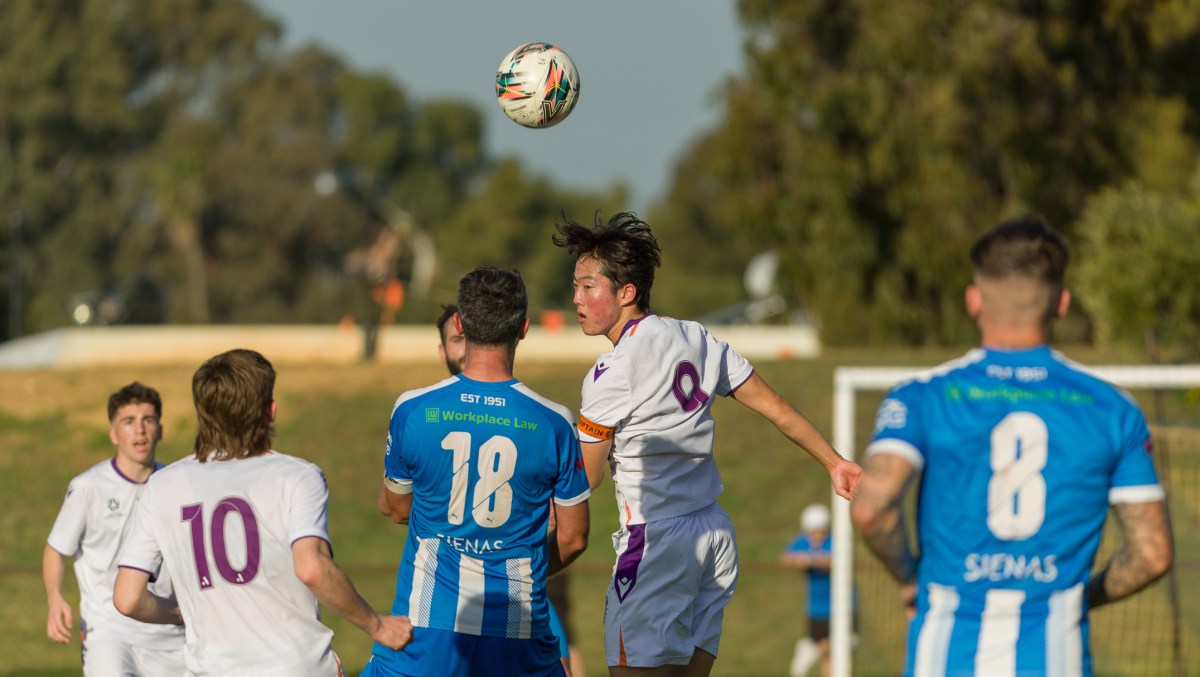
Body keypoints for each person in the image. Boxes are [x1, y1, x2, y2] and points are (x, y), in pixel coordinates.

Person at [850, 215, 1175, 676]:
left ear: (973, 300)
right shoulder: (1113, 409)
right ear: (1061, 303)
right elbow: (1153, 553)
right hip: (1053, 658)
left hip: (945, 657)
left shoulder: (922, 396)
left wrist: (910, 578)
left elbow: (872, 506)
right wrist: (1081, 597)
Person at [552, 211, 862, 676]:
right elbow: (772, 403)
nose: (576, 297)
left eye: (588, 286)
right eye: (575, 285)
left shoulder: (611, 371)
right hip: (715, 535)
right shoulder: (695, 336)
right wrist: (834, 462)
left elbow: (587, 477)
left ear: (626, 292)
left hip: (656, 541)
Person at [113, 349, 411, 675]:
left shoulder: (162, 485)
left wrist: (175, 612)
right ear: (270, 411)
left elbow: (127, 598)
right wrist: (378, 626)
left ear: (203, 413)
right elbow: (312, 568)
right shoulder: (296, 475)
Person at [366, 267, 591, 677]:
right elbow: (574, 539)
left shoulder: (412, 409)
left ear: (460, 323)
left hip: (426, 631)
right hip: (519, 632)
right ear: (523, 328)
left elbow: (398, 509)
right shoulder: (555, 422)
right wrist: (521, 563)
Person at [43, 382, 186, 676]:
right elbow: (56, 549)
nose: (141, 430)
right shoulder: (87, 487)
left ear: (160, 429)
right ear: (113, 433)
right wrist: (54, 598)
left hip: (169, 634)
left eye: (148, 420)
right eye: (129, 421)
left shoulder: (178, 484)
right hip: (109, 630)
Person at [780, 503, 836, 677]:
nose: (816, 536)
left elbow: (836, 559)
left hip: (839, 606)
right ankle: (809, 647)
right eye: (812, 531)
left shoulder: (833, 542)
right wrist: (798, 559)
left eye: (820, 531)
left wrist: (812, 560)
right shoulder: (803, 542)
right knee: (827, 649)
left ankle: (808, 647)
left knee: (831, 650)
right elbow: (785, 558)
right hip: (816, 608)